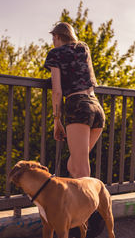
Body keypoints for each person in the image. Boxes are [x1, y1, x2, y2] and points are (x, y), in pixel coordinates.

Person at [44, 22, 105, 178]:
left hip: (78, 107)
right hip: (96, 107)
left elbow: (57, 91)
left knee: (82, 172)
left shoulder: (55, 53)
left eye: (53, 38)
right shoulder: (83, 48)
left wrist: (57, 121)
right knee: (73, 164)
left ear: (56, 36)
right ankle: (76, 201)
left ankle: (90, 202)